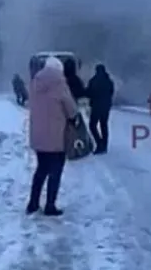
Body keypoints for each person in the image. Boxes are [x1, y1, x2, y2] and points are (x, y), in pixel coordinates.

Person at [26, 56, 78, 215]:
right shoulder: (60, 83)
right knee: (55, 171)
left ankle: (33, 203)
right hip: (56, 136)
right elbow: (71, 109)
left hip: (38, 135)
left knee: (41, 169)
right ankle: (50, 205)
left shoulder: (35, 83)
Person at [86, 63, 114, 154]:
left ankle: (99, 143)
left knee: (92, 125)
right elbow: (111, 92)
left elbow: (89, 92)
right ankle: (104, 145)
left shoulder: (93, 81)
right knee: (104, 125)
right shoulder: (109, 81)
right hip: (106, 106)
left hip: (96, 106)